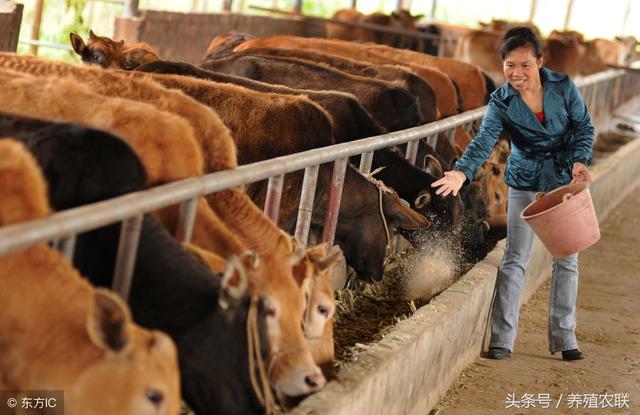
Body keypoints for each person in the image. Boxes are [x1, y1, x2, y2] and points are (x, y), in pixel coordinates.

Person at [432, 27, 594, 361]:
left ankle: (565, 338)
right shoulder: (501, 101)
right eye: (509, 65)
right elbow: (483, 140)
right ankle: (502, 339)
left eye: (524, 65)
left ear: (540, 61)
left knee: (567, 258)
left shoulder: (563, 87)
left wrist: (580, 160)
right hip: (523, 178)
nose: (516, 73)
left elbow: (583, 127)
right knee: (515, 257)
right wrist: (463, 171)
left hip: (563, 177)